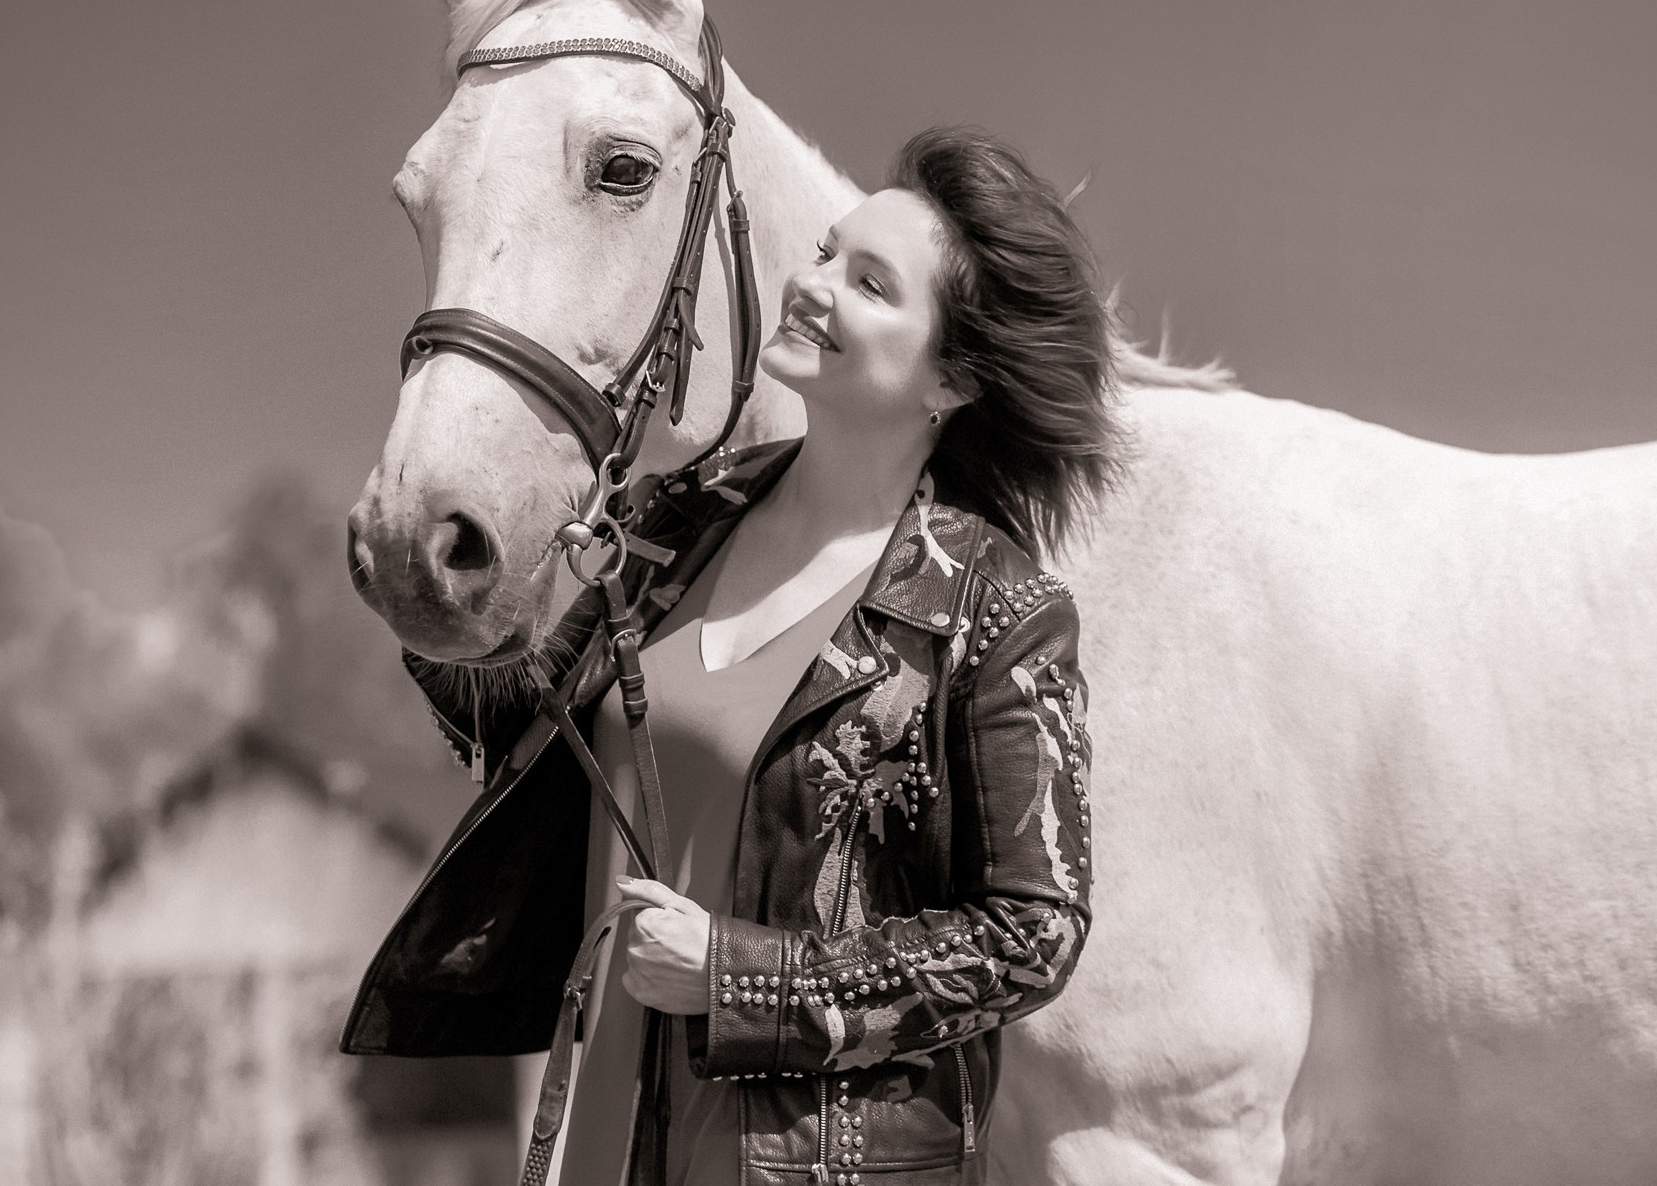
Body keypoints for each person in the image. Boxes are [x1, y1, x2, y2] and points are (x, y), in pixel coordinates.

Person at [342, 128, 1121, 1186]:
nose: (816, 285)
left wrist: (736, 976)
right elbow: (523, 736)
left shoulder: (995, 608)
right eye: (828, 253)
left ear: (951, 376)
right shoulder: (683, 518)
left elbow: (1034, 932)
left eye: (871, 282)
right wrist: (437, 599)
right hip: (607, 1142)